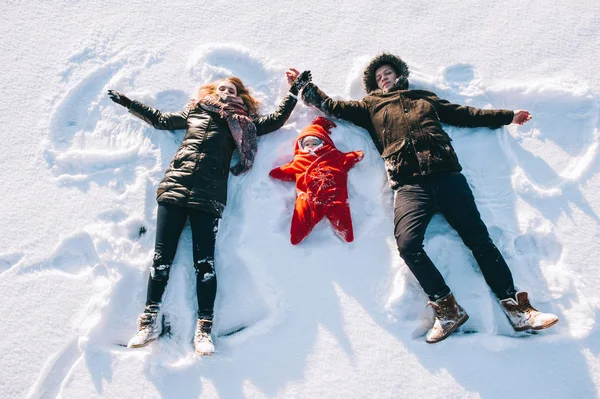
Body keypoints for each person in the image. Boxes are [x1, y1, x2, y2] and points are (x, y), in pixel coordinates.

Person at [299, 54, 558, 343]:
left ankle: (517, 309)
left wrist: (508, 116)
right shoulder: (370, 106)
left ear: (399, 76)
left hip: (446, 175)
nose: (384, 77)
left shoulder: (424, 98)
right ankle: (447, 308)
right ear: (373, 85)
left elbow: (465, 114)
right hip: (409, 185)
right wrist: (304, 87)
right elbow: (333, 107)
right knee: (408, 245)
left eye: (389, 73)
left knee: (479, 240)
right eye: (379, 76)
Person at [108, 68, 311, 355]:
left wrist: (294, 92)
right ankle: (149, 322)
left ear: (240, 98)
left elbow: (276, 120)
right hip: (174, 190)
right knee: (161, 258)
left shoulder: (244, 123)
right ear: (212, 93)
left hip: (208, 197)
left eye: (232, 90)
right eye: (222, 89)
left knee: (205, 264)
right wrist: (129, 103)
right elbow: (160, 120)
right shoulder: (195, 112)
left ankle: (204, 329)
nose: (226, 93)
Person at [269, 117, 364, 244]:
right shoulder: (299, 162)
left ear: (323, 142)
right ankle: (298, 234)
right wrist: (277, 172)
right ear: (301, 146)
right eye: (306, 144)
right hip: (308, 198)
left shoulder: (334, 156)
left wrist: (355, 156)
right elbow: (285, 170)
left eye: (314, 143)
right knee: (301, 217)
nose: (310, 147)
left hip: (335, 197)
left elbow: (347, 158)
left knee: (342, 219)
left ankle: (344, 231)